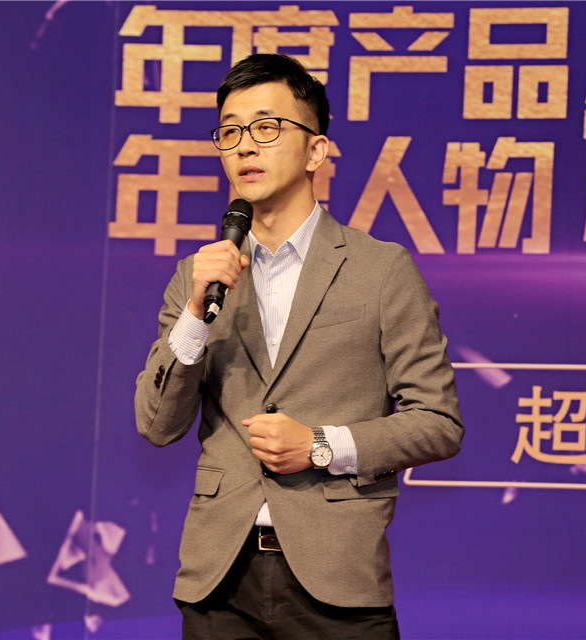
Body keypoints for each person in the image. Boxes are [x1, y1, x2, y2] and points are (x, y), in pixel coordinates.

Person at [135, 53, 463, 639]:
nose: (245, 146)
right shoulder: (201, 275)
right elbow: (157, 424)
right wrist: (193, 317)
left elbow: (438, 422)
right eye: (230, 131)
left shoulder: (380, 269)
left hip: (336, 579)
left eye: (266, 127)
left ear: (316, 150)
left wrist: (319, 445)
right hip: (219, 582)